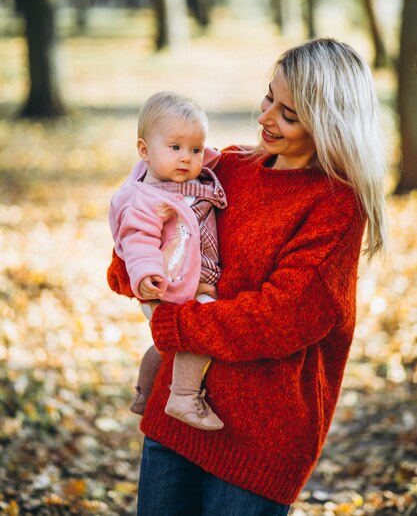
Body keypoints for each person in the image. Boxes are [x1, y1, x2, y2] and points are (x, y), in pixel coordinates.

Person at [107, 38, 388, 516]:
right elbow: (136, 247)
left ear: (329, 122)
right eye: (268, 98)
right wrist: (141, 266)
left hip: (259, 436)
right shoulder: (228, 168)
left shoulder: (335, 205)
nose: (266, 118)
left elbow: (285, 316)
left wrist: (175, 324)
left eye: (289, 114)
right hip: (175, 413)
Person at [109, 91, 227, 431]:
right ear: (144, 150)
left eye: (195, 149)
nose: (186, 158)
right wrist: (146, 274)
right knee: (202, 331)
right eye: (174, 148)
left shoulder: (186, 181)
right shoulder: (145, 198)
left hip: (188, 277)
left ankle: (145, 393)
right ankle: (184, 396)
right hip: (169, 285)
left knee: (168, 347)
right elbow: (138, 239)